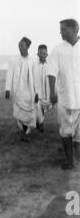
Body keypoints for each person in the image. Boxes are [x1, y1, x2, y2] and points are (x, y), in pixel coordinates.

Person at [47, 19, 80, 170]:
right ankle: (69, 161)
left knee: (79, 134)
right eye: (60, 29)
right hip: (65, 99)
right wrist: (52, 91)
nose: (60, 32)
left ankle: (76, 157)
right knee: (65, 132)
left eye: (64, 29)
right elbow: (52, 73)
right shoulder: (57, 50)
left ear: (75, 30)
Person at [5, 37, 38, 142]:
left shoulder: (33, 60)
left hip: (30, 91)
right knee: (20, 113)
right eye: (19, 45)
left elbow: (36, 76)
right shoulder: (14, 60)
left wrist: (37, 92)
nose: (20, 47)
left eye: (22, 45)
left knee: (28, 113)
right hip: (18, 90)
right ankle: (24, 131)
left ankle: (26, 132)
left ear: (27, 47)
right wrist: (7, 89)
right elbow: (9, 74)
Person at [33, 45, 52, 132]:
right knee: (38, 107)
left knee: (44, 109)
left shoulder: (50, 65)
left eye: (44, 53)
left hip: (48, 92)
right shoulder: (34, 66)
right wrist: (35, 92)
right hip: (38, 92)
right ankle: (40, 124)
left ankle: (39, 122)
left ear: (47, 54)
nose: (42, 55)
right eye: (40, 53)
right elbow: (33, 80)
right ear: (37, 54)